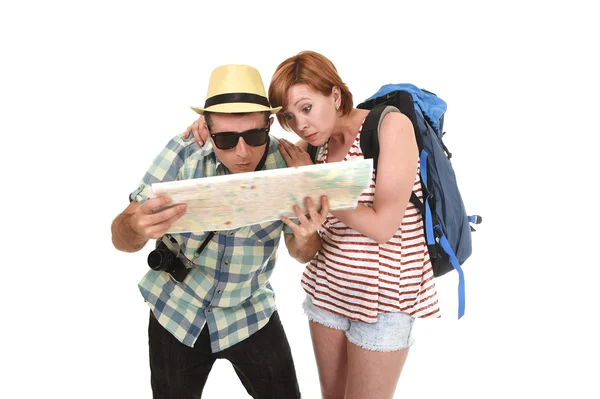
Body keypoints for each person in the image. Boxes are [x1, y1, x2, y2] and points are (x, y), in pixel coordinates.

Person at [186, 51, 441, 399]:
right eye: (289, 116)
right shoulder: (313, 148)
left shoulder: (390, 127)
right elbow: (248, 136)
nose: (300, 124)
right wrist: (209, 127)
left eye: (307, 108)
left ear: (335, 95)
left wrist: (314, 181)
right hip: (328, 292)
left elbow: (384, 226)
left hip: (384, 300)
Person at [111, 63, 329, 399]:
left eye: (254, 136)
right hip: (177, 310)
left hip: (250, 311)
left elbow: (303, 254)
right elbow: (120, 236)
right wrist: (137, 226)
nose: (242, 152)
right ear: (208, 129)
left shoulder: (289, 165)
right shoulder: (183, 153)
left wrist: (306, 234)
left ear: (269, 124)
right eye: (225, 139)